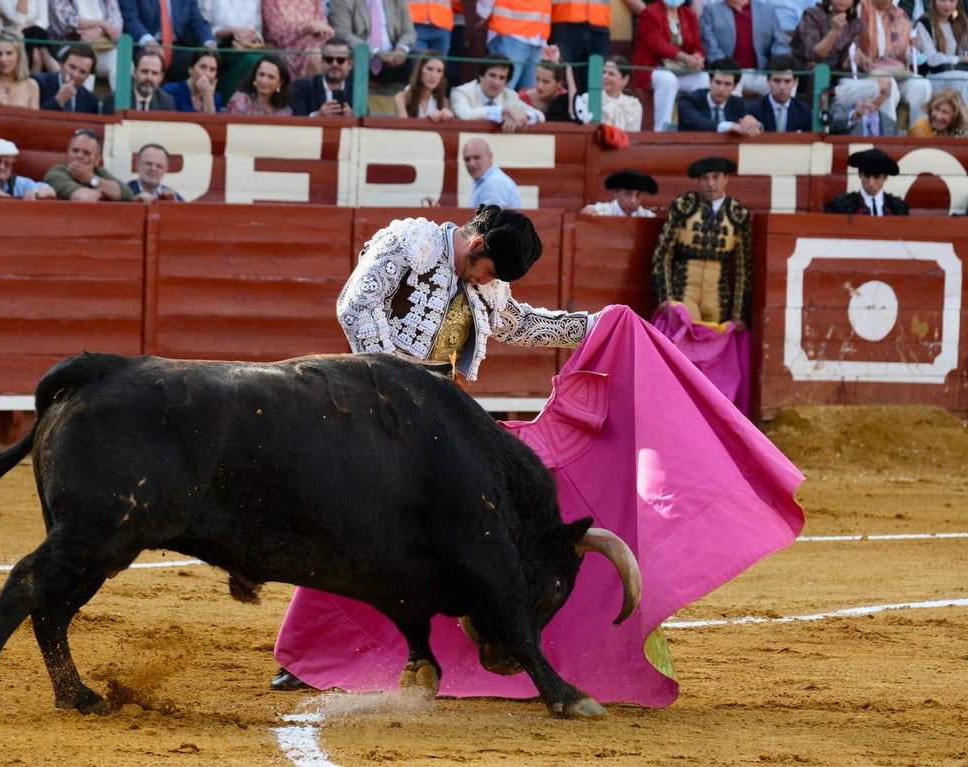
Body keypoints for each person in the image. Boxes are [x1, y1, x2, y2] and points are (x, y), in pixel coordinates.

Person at [271, 204, 804, 709]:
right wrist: (394, 380)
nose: (484, 281)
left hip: (439, 418)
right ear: (476, 242)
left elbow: (519, 324)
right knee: (363, 526)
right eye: (484, 270)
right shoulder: (406, 243)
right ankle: (311, 653)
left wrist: (596, 327)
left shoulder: (487, 286)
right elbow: (354, 305)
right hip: (376, 409)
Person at [649, 155, 752, 411]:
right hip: (686, 289)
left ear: (726, 179)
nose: (710, 183)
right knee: (686, 352)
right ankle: (682, 407)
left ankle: (708, 409)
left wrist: (739, 313)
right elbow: (662, 253)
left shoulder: (738, 214)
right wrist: (666, 297)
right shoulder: (683, 206)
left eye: (716, 177)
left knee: (713, 359)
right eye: (705, 178)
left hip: (718, 294)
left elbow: (742, 267)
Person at [630, 0, 709, 132]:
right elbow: (657, 44)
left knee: (703, 79)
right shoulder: (650, 13)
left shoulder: (689, 15)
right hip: (652, 68)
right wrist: (685, 58)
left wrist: (697, 58)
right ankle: (662, 129)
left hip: (682, 69)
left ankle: (700, 126)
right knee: (668, 80)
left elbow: (697, 46)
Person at [850, 0, 931, 126]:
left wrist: (913, 48)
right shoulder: (860, 8)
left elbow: (908, 56)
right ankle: (889, 134)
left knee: (922, 85)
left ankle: (919, 132)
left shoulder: (900, 15)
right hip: (867, 72)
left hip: (898, 71)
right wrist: (859, 53)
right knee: (888, 84)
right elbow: (850, 42)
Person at [700, 0, 791, 97]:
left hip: (761, 73)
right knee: (727, 93)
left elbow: (779, 43)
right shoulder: (711, 11)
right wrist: (728, 71)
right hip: (728, 74)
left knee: (787, 84)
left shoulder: (766, 10)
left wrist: (780, 65)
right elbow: (711, 48)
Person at [118, 0, 216, 82]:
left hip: (177, 47)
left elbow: (198, 21)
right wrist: (147, 40)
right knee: (148, 64)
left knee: (203, 63)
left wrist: (208, 42)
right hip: (145, 45)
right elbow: (129, 18)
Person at [450, 55, 544, 131]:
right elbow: (466, 115)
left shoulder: (510, 95)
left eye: (502, 78)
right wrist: (503, 111)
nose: (496, 82)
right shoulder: (460, 92)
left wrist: (522, 117)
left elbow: (540, 116)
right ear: (481, 76)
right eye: (492, 75)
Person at [329, 0, 416, 84]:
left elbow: (408, 32)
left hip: (393, 56)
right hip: (362, 56)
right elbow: (342, 34)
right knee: (344, 61)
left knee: (420, 62)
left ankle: (410, 98)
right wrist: (376, 52)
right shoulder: (341, 1)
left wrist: (401, 49)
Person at [790, 0, 863, 95]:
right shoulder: (813, 15)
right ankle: (815, 109)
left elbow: (846, 59)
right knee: (820, 73)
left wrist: (855, 58)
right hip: (806, 67)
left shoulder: (855, 23)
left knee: (863, 77)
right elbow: (813, 54)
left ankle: (848, 109)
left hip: (835, 69)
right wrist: (834, 31)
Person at [48, 0, 122, 90]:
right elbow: (67, 20)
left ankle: (122, 103)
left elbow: (117, 25)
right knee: (83, 60)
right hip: (71, 46)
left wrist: (98, 32)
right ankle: (82, 102)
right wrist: (102, 24)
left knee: (120, 60)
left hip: (103, 45)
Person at [677, 58, 762, 134]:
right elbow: (698, 123)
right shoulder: (689, 100)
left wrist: (752, 123)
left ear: (735, 87)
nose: (721, 89)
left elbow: (752, 124)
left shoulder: (737, 103)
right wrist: (731, 126)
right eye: (718, 82)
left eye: (727, 84)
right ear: (710, 81)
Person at [45, 128, 133, 201]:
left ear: (97, 160)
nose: (79, 156)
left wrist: (91, 178)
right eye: (75, 150)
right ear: (67, 153)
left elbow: (127, 194)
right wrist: (104, 192)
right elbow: (83, 198)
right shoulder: (56, 173)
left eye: (86, 153)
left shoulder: (99, 172)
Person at [261, 0, 334, 80]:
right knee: (314, 55)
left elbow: (323, 27)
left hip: (316, 44)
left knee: (335, 53)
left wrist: (323, 31)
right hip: (284, 48)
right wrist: (307, 27)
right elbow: (279, 35)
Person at [823, 147, 909, 213]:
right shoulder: (840, 206)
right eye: (867, 176)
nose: (871, 183)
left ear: (885, 177)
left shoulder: (898, 208)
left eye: (876, 177)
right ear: (860, 175)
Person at [569, 54, 643, 130]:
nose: (605, 77)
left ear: (625, 79)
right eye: (604, 72)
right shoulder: (587, 99)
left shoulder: (633, 105)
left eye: (611, 74)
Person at [915, 0, 968, 103]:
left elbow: (964, 48)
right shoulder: (924, 23)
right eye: (942, 0)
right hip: (935, 75)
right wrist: (960, 59)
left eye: (952, 1)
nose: (947, 5)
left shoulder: (958, 22)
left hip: (958, 72)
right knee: (964, 81)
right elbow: (932, 59)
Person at [745, 55, 813, 131]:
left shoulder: (803, 111)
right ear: (768, 80)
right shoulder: (754, 110)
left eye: (787, 81)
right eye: (777, 81)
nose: (782, 87)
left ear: (795, 82)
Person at [291, 37, 354, 116]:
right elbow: (296, 121)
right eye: (329, 59)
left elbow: (365, 119)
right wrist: (317, 116)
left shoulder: (356, 92)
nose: (334, 64)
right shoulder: (302, 87)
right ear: (322, 61)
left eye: (340, 60)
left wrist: (352, 116)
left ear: (350, 64)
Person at [101, 49, 174, 112]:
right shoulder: (115, 99)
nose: (149, 77)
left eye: (154, 73)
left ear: (161, 77)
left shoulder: (166, 102)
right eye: (144, 71)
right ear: (135, 72)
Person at [33, 43, 100, 112]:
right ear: (61, 65)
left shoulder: (90, 100)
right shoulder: (38, 84)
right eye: (72, 67)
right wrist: (59, 99)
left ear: (88, 76)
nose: (75, 75)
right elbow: (31, 119)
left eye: (82, 72)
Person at [394, 47, 453, 118]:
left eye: (439, 71)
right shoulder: (402, 98)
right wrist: (428, 121)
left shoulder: (443, 101)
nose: (434, 76)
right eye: (429, 69)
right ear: (419, 70)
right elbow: (403, 126)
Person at [0, 0, 55, 73]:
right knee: (36, 57)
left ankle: (47, 59)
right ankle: (54, 66)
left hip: (36, 33)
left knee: (37, 55)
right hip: (13, 35)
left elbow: (44, 22)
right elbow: (19, 20)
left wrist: (25, 26)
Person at [829, 74, 898, 134]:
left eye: (883, 92)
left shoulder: (890, 124)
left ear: (888, 96)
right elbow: (830, 126)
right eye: (874, 89)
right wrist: (854, 115)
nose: (878, 95)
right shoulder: (843, 106)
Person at [226, 53, 293, 115]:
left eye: (271, 77)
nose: (264, 81)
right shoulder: (241, 100)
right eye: (261, 74)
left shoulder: (284, 110)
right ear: (255, 76)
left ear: (280, 83)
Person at [463, 137, 521, 208]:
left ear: (490, 157)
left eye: (477, 157)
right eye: (467, 159)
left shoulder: (494, 183)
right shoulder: (488, 181)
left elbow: (489, 218)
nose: (471, 163)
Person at [162, 48, 222, 112]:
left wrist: (208, 99)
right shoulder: (171, 91)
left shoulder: (215, 98)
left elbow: (212, 121)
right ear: (191, 69)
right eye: (203, 67)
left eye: (212, 70)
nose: (207, 74)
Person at [581, 169, 658, 216]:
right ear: (617, 193)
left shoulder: (647, 216)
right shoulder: (602, 212)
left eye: (638, 195)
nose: (633, 201)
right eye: (628, 194)